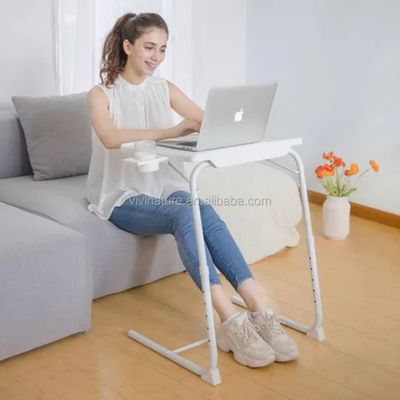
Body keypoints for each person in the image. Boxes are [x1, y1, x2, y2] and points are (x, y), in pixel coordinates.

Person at [86, 12, 298, 368]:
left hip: (162, 185)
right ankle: (231, 320)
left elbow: (206, 120)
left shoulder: (164, 88)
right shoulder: (101, 94)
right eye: (149, 47)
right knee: (184, 214)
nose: (156, 56)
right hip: (121, 195)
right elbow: (109, 138)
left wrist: (220, 128)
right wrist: (170, 132)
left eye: (163, 49)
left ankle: (261, 310)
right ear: (128, 46)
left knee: (205, 209)